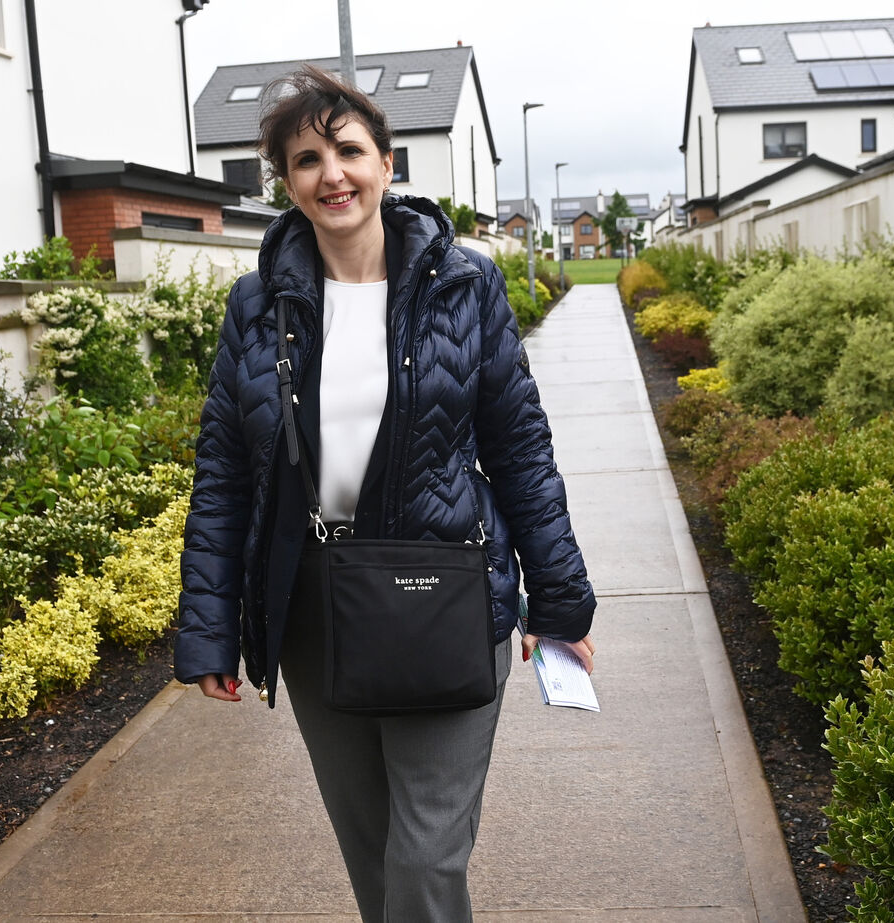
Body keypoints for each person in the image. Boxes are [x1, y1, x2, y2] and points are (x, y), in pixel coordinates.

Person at [174, 64, 596, 923]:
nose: (330, 173)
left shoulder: (464, 284)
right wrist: (211, 628)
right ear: (286, 184)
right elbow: (223, 471)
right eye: (304, 159)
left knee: (426, 855)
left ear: (386, 165)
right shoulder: (257, 305)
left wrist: (560, 601)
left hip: (443, 594)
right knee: (373, 855)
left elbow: (519, 446)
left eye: (348, 150)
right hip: (315, 611)